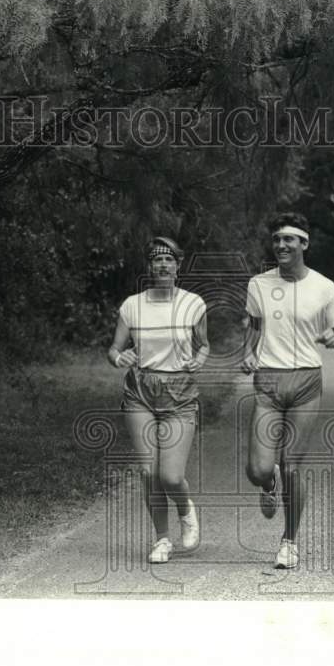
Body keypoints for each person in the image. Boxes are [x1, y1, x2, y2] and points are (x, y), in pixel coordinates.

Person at [241, 212, 334, 569]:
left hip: (306, 380)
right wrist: (247, 352)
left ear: (304, 243)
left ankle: (289, 542)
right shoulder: (258, 284)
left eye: (288, 239)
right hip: (269, 381)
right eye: (276, 239)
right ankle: (267, 483)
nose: (280, 245)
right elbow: (255, 327)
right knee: (258, 470)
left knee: (291, 465)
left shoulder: (324, 287)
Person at [108, 236, 209, 564]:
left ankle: (185, 509)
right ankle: (162, 539)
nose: (162, 265)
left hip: (179, 395)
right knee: (148, 472)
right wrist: (118, 358)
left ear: (178, 266)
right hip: (140, 392)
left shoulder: (193, 304)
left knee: (170, 476)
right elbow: (114, 349)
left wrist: (200, 358)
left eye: (168, 259)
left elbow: (205, 344)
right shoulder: (132, 305)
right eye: (156, 259)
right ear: (148, 266)